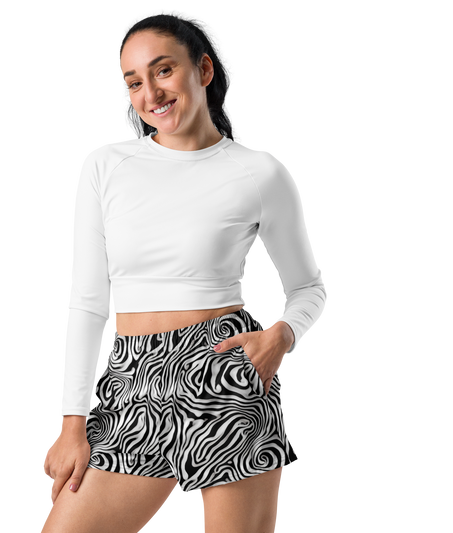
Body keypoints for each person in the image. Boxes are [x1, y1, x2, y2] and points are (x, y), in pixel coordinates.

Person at [39, 6, 328, 533]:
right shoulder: (105, 164)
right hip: (129, 382)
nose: (151, 92)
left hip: (227, 372)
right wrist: (71, 422)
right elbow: (87, 302)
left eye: (164, 70)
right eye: (134, 82)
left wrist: (282, 336)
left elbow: (309, 287)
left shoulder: (260, 170)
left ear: (204, 68)